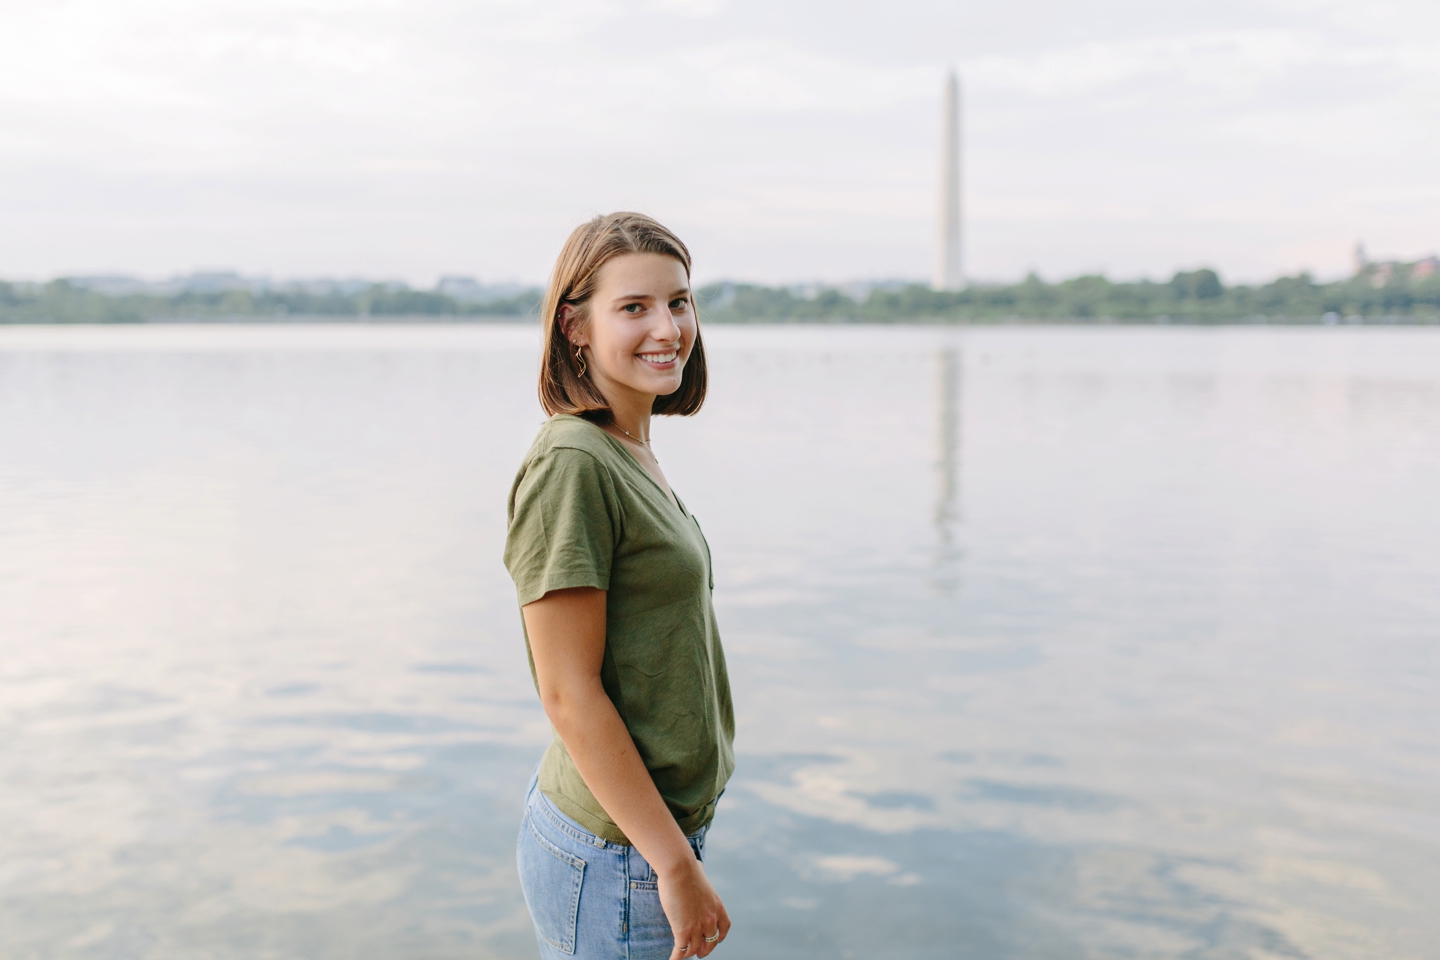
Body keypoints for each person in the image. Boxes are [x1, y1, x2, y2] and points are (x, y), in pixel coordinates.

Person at [504, 212, 735, 960]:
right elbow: (568, 692)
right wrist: (671, 864)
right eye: (633, 308)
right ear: (575, 326)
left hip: (643, 839)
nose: (667, 327)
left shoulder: (625, 447)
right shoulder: (573, 463)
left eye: (678, 301)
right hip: (618, 855)